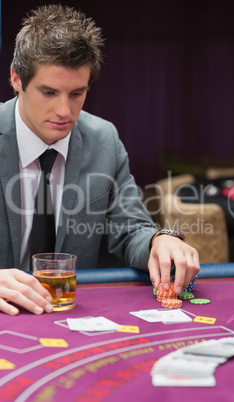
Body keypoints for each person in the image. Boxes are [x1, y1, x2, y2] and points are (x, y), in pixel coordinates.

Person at [0, 4, 199, 316]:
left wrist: (160, 240)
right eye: (49, 93)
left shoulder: (104, 139)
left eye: (76, 93)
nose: (64, 111)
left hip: (72, 316)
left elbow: (130, 228)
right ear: (16, 79)